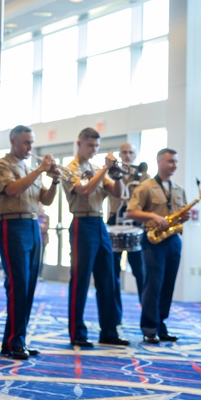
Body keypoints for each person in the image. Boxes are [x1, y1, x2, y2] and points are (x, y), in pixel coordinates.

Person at [0, 125, 60, 360]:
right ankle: (14, 341)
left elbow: (46, 201)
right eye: (26, 142)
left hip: (32, 226)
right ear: (13, 141)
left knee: (28, 286)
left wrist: (55, 182)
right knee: (19, 284)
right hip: (12, 226)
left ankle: (14, 341)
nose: (30, 147)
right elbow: (12, 190)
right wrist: (40, 169)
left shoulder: (29, 169)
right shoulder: (2, 166)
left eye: (31, 142)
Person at [63, 128, 128, 348]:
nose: (94, 150)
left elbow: (117, 194)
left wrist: (117, 175)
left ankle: (108, 331)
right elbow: (85, 190)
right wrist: (105, 170)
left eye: (97, 146)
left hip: (99, 223)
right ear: (79, 143)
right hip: (81, 223)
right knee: (80, 280)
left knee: (108, 279)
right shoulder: (70, 169)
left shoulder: (96, 168)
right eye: (90, 145)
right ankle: (77, 333)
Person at [126, 148, 188, 345]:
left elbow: (181, 213)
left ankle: (161, 325)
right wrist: (153, 216)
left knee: (168, 284)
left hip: (173, 240)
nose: (174, 165)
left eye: (176, 161)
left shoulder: (179, 189)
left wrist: (184, 217)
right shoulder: (145, 187)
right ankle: (149, 328)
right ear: (159, 161)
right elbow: (131, 212)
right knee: (153, 285)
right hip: (153, 241)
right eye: (170, 161)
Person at [108, 142, 146, 299]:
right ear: (119, 154)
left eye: (130, 152)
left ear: (135, 154)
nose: (127, 155)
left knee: (140, 272)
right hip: (114, 224)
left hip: (135, 226)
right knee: (112, 274)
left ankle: (146, 314)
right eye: (124, 152)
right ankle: (114, 318)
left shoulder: (144, 176)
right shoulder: (110, 174)